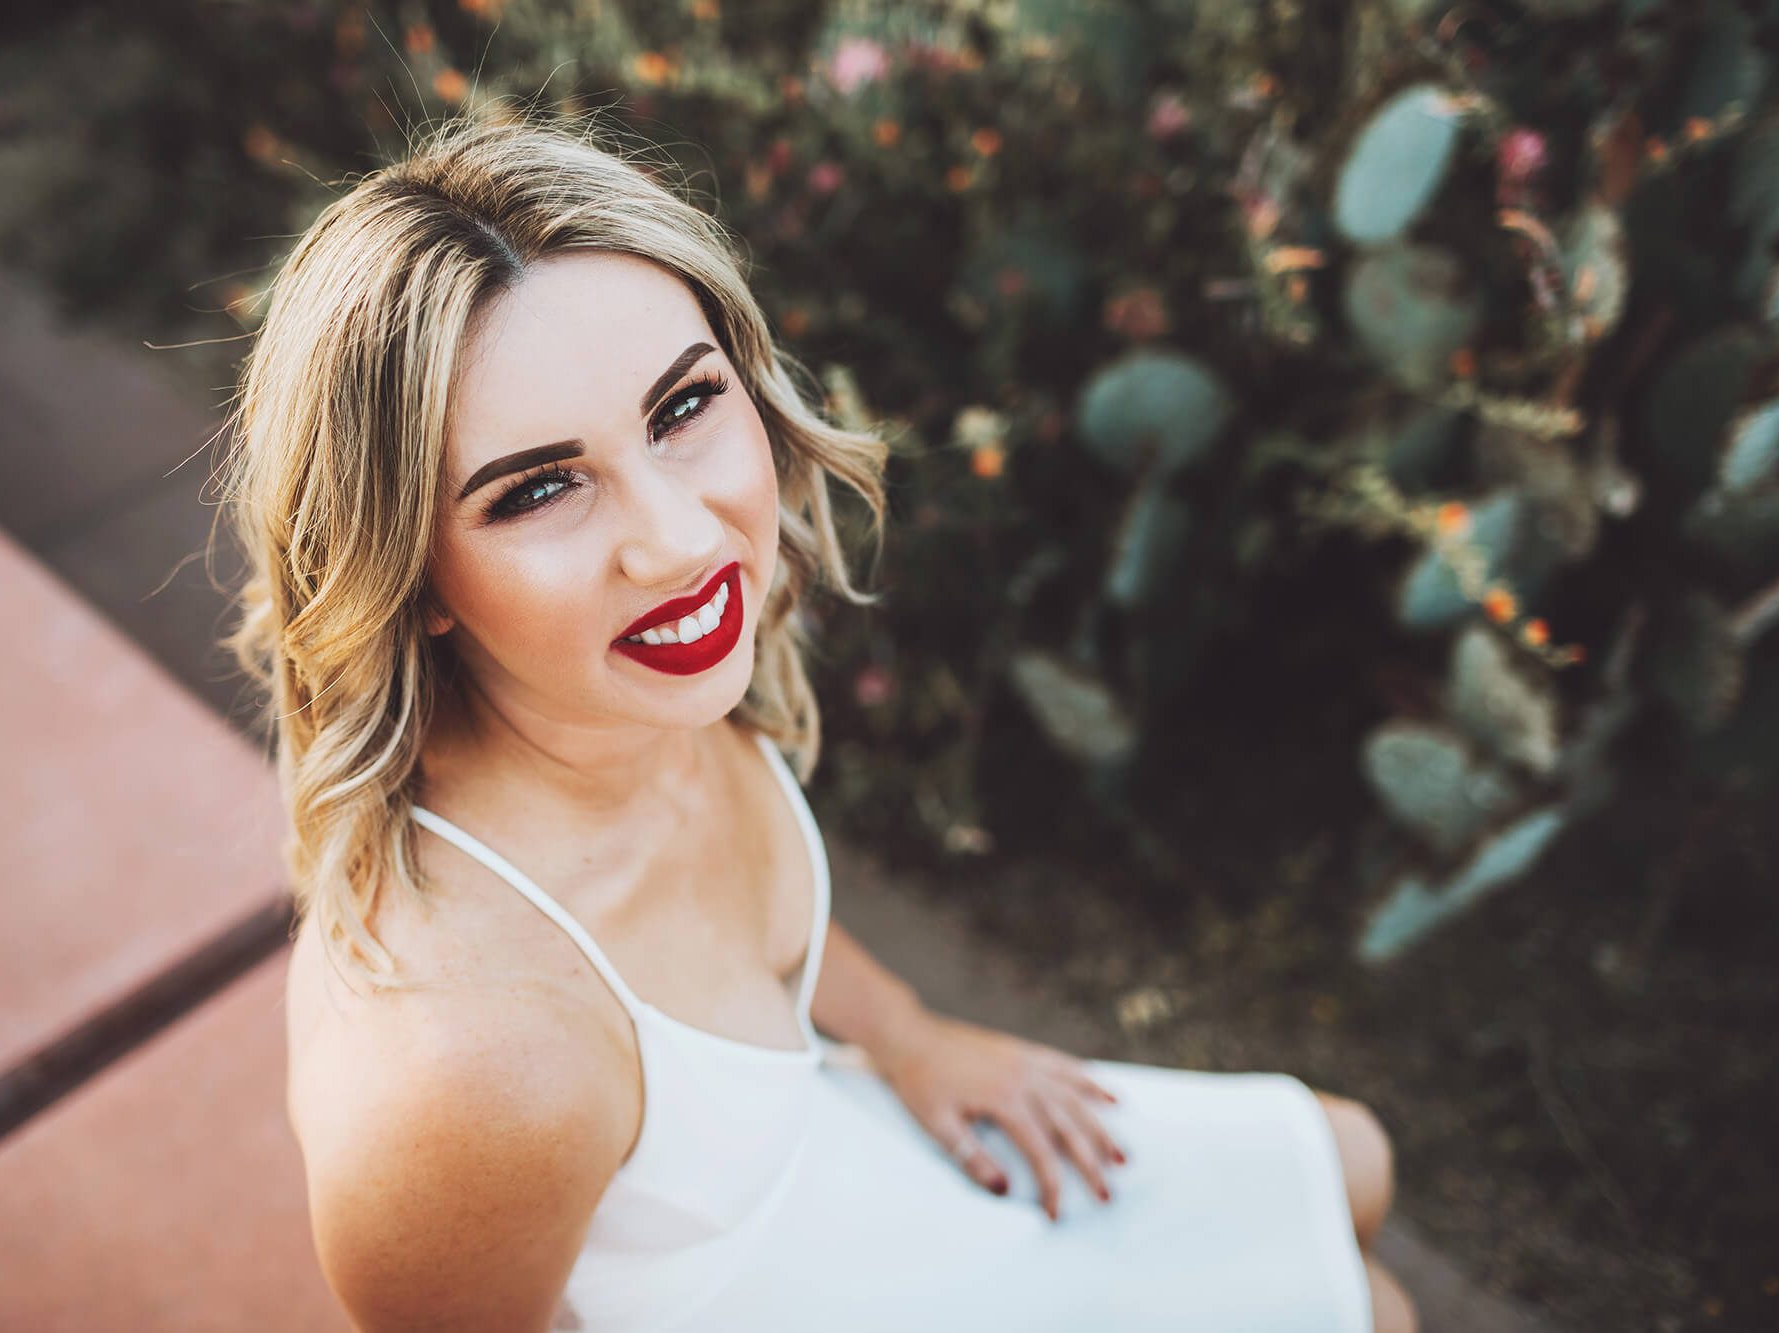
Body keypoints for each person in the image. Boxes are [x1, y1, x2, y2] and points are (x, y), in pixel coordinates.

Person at [219, 106, 1417, 1332]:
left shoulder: (616, 695)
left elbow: (749, 932)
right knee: (1368, 1309)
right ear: (406, 580)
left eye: (681, 409)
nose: (682, 542)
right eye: (537, 489)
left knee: (1354, 1160)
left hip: (823, 1164)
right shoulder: (467, 1069)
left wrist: (911, 1037)